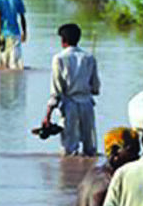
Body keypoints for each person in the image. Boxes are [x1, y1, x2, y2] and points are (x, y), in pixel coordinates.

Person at [42, 23, 100, 156]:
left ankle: (69, 175)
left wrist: (48, 115)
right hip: (87, 105)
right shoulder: (89, 58)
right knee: (90, 148)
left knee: (68, 150)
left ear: (63, 41)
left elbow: (56, 91)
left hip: (69, 106)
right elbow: (95, 88)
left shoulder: (59, 58)